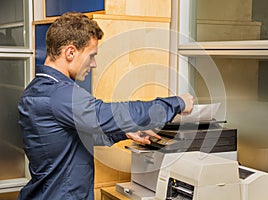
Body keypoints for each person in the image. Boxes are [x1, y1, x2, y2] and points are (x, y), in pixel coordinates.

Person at [17, 12, 194, 200]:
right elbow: (112, 114)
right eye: (91, 55)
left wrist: (124, 132)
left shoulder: (38, 89)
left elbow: (74, 138)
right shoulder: (59, 95)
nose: (93, 64)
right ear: (70, 52)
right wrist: (176, 103)